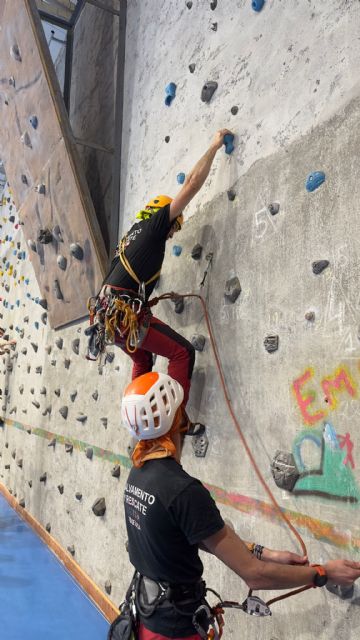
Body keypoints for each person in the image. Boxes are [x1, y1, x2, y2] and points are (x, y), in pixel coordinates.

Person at [120, 372, 360, 640]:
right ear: (179, 420)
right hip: (175, 630)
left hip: (146, 616)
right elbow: (255, 575)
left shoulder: (139, 474)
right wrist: (323, 573)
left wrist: (264, 552)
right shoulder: (183, 490)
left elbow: (190, 534)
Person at [88, 130, 233, 413]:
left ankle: (138, 415)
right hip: (122, 315)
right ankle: (174, 424)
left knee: (143, 360)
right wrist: (214, 145)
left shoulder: (129, 238)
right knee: (182, 352)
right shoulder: (154, 227)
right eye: (174, 227)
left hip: (106, 318)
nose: (172, 234)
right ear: (164, 215)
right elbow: (190, 184)